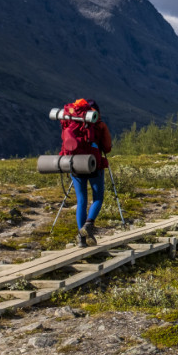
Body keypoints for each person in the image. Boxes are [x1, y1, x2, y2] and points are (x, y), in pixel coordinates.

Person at [59, 98, 112, 246]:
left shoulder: (70, 122)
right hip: (94, 164)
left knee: (81, 200)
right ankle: (88, 226)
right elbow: (107, 147)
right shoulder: (99, 124)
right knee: (98, 198)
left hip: (74, 164)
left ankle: (81, 239)